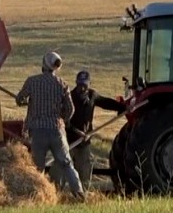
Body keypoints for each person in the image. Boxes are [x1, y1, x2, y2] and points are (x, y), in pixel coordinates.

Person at [14, 51, 86, 200]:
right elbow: (70, 109)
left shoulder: (32, 81)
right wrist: (62, 119)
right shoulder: (62, 84)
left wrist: (23, 101)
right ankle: (79, 194)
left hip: (38, 131)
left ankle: (37, 196)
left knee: (37, 167)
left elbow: (20, 99)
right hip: (57, 131)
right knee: (67, 164)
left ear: (44, 64)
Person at [66, 70, 127, 188]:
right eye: (80, 85)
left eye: (84, 85)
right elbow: (64, 121)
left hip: (84, 143)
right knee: (62, 170)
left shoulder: (92, 95)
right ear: (76, 83)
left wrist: (122, 107)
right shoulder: (70, 97)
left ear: (89, 84)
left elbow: (106, 103)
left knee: (84, 172)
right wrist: (77, 132)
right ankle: (55, 193)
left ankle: (82, 194)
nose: (82, 88)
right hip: (69, 141)